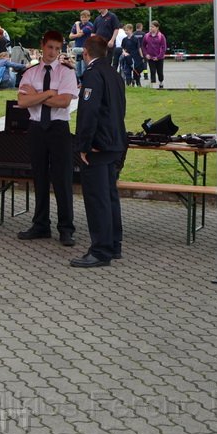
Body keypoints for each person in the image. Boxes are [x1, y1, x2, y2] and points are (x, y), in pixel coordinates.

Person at [15, 31, 80, 246]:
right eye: (50, 47)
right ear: (42, 46)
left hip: (59, 129)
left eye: (57, 48)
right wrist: (49, 93)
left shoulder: (66, 72)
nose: (53, 52)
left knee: (62, 179)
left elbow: (63, 102)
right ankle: (41, 224)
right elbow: (22, 102)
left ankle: (66, 228)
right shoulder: (31, 72)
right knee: (40, 177)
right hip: (36, 129)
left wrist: (37, 95)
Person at [71, 34, 127, 268]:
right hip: (114, 142)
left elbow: (88, 112)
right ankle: (113, 244)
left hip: (98, 146)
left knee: (97, 199)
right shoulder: (114, 74)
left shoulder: (93, 75)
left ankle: (100, 250)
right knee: (110, 197)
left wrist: (83, 145)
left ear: (86, 53)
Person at [68, 10, 95, 79]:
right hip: (78, 48)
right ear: (80, 17)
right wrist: (77, 34)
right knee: (78, 68)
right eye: (82, 17)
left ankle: (86, 82)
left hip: (85, 48)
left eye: (85, 17)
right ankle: (81, 82)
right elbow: (70, 36)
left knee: (84, 67)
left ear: (89, 18)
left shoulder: (89, 25)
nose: (84, 19)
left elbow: (79, 34)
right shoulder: (78, 24)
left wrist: (77, 25)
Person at [142, 20, 167, 89]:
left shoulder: (161, 36)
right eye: (150, 27)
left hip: (159, 58)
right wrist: (146, 54)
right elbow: (143, 46)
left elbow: (164, 47)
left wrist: (158, 57)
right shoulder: (146, 36)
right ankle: (152, 86)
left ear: (157, 28)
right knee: (152, 71)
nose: (151, 28)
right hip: (150, 57)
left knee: (160, 72)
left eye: (152, 27)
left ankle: (161, 83)